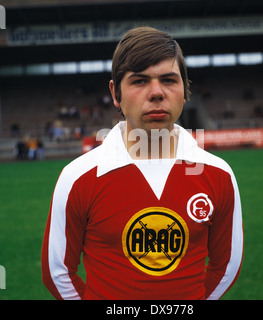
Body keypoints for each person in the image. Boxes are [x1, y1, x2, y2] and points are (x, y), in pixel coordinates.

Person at [41, 27, 243, 300]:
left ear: (185, 90)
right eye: (139, 81)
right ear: (115, 93)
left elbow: (226, 265)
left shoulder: (219, 175)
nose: (157, 92)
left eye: (169, 80)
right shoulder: (77, 177)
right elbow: (57, 272)